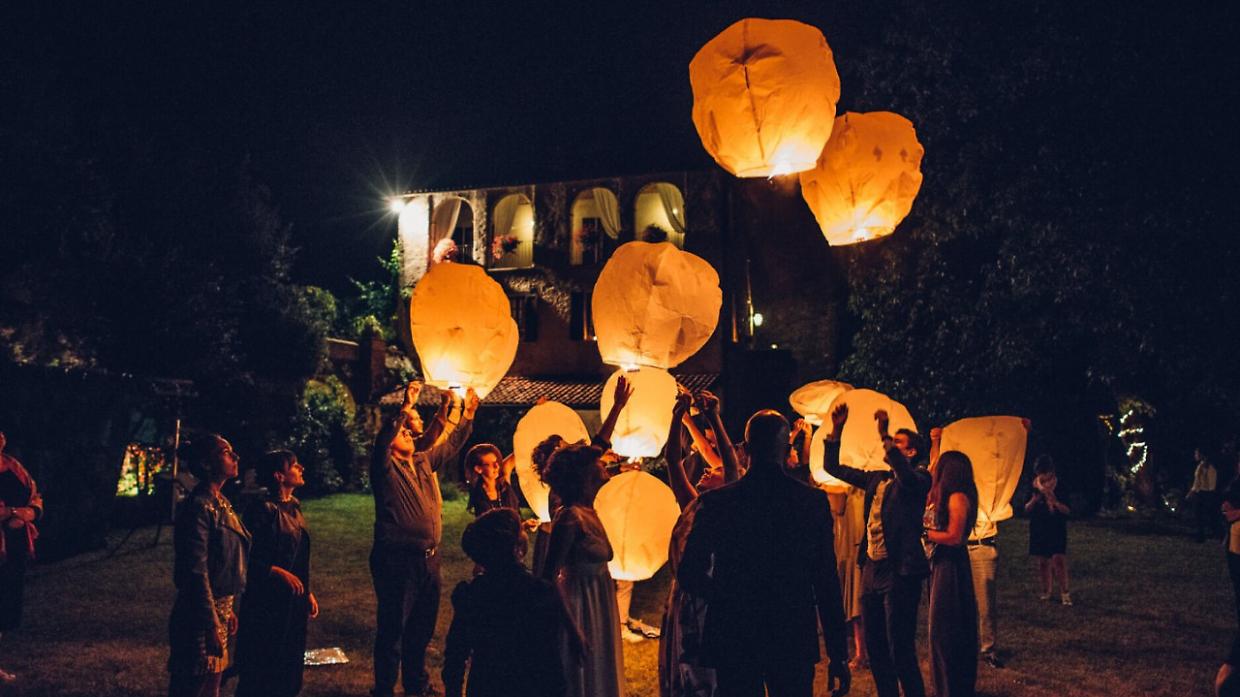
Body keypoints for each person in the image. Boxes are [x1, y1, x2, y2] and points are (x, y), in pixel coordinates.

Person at [679, 409, 851, 697]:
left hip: (735, 632)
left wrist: (725, 593)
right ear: (786, 449)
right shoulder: (810, 502)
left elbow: (689, 572)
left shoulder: (718, 502)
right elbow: (826, 581)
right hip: (790, 631)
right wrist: (838, 655)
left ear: (746, 450)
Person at [370, 381, 479, 697]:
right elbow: (384, 438)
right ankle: (384, 689)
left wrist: (467, 414)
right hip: (397, 560)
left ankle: (416, 685)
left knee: (421, 628)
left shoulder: (422, 462)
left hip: (429, 559)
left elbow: (451, 443)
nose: (408, 433)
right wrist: (405, 407)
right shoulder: (384, 468)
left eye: (409, 430)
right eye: (403, 431)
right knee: (393, 627)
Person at [821, 405, 929, 697]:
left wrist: (884, 435)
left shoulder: (920, 478)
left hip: (900, 571)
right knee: (877, 647)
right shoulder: (876, 478)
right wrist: (836, 429)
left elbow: (907, 478)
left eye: (897, 443)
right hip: (871, 568)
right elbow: (834, 468)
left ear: (911, 452)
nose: (889, 446)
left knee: (900, 648)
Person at [658, 388, 740, 697]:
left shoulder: (727, 508)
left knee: (705, 672)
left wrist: (714, 418)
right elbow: (672, 461)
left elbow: (731, 466)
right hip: (682, 597)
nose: (708, 468)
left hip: (710, 597)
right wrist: (677, 416)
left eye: (715, 470)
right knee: (680, 668)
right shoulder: (693, 505)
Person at [442, 509, 570, 697]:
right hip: (529, 687)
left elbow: (455, 654)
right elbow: (549, 658)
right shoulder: (537, 593)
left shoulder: (474, 593)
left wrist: (453, 690)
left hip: (485, 686)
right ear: (516, 547)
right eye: (521, 530)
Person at [168, 434, 252, 697]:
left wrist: (227, 609)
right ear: (206, 463)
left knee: (213, 682)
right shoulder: (200, 507)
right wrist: (210, 621)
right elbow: (196, 571)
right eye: (226, 453)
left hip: (219, 608)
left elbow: (222, 561)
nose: (235, 457)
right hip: (199, 614)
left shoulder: (221, 502)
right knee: (194, 683)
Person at [541, 443, 626, 697]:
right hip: (580, 604)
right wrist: (573, 629)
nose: (603, 464)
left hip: (599, 599)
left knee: (601, 668)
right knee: (582, 676)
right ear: (584, 473)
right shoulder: (570, 517)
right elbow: (549, 576)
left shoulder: (591, 510)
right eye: (597, 462)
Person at [234, 450, 318, 697]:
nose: (301, 468)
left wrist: (307, 591)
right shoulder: (262, 510)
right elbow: (246, 556)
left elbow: (297, 554)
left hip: (292, 599)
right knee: (264, 665)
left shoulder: (294, 507)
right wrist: (274, 571)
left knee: (289, 664)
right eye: (294, 465)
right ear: (279, 476)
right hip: (268, 601)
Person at [924, 451, 980, 697]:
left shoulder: (958, 497)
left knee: (946, 627)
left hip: (951, 566)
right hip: (942, 564)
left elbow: (955, 536)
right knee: (940, 626)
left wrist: (925, 534)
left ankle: (951, 687)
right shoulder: (946, 496)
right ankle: (945, 686)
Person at [0, 431, 43, 684]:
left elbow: (35, 497)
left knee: (5, 605)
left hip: (13, 548)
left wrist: (26, 512)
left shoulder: (13, 467)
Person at [1025, 454, 1071, 605]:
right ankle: (1046, 591)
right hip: (1039, 526)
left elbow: (1067, 510)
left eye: (1045, 473)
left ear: (1052, 472)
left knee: (1058, 559)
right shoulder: (1034, 486)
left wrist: (1054, 502)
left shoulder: (1060, 486)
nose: (1043, 477)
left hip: (1056, 526)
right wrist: (1034, 501)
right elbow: (1026, 508)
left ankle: (1065, 592)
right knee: (1043, 561)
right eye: (1040, 473)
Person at [464, 444, 520, 517]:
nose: (497, 466)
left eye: (496, 462)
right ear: (479, 469)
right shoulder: (479, 497)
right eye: (491, 464)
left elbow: (520, 453)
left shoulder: (503, 481)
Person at [1191, 449, 1221, 542]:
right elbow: (1197, 481)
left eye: (1196, 453)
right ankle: (1201, 534)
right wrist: (1192, 491)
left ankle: (1214, 533)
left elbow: (1212, 483)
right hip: (1200, 492)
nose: (1195, 455)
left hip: (1206, 493)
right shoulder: (1200, 466)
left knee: (1207, 514)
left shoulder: (1209, 468)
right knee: (1198, 514)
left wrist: (1210, 494)